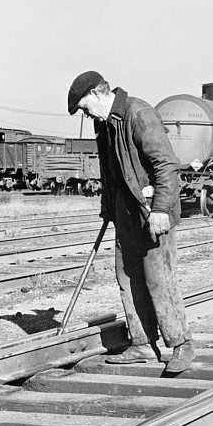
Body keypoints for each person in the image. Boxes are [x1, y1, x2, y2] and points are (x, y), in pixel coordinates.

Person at [67, 71, 194, 373]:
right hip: (125, 213)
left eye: (85, 107)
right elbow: (111, 173)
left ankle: (180, 344)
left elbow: (166, 165)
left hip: (152, 211)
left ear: (98, 94)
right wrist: (108, 208)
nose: (86, 114)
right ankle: (142, 343)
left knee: (158, 278)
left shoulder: (138, 113)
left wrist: (162, 209)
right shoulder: (105, 125)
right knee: (126, 278)